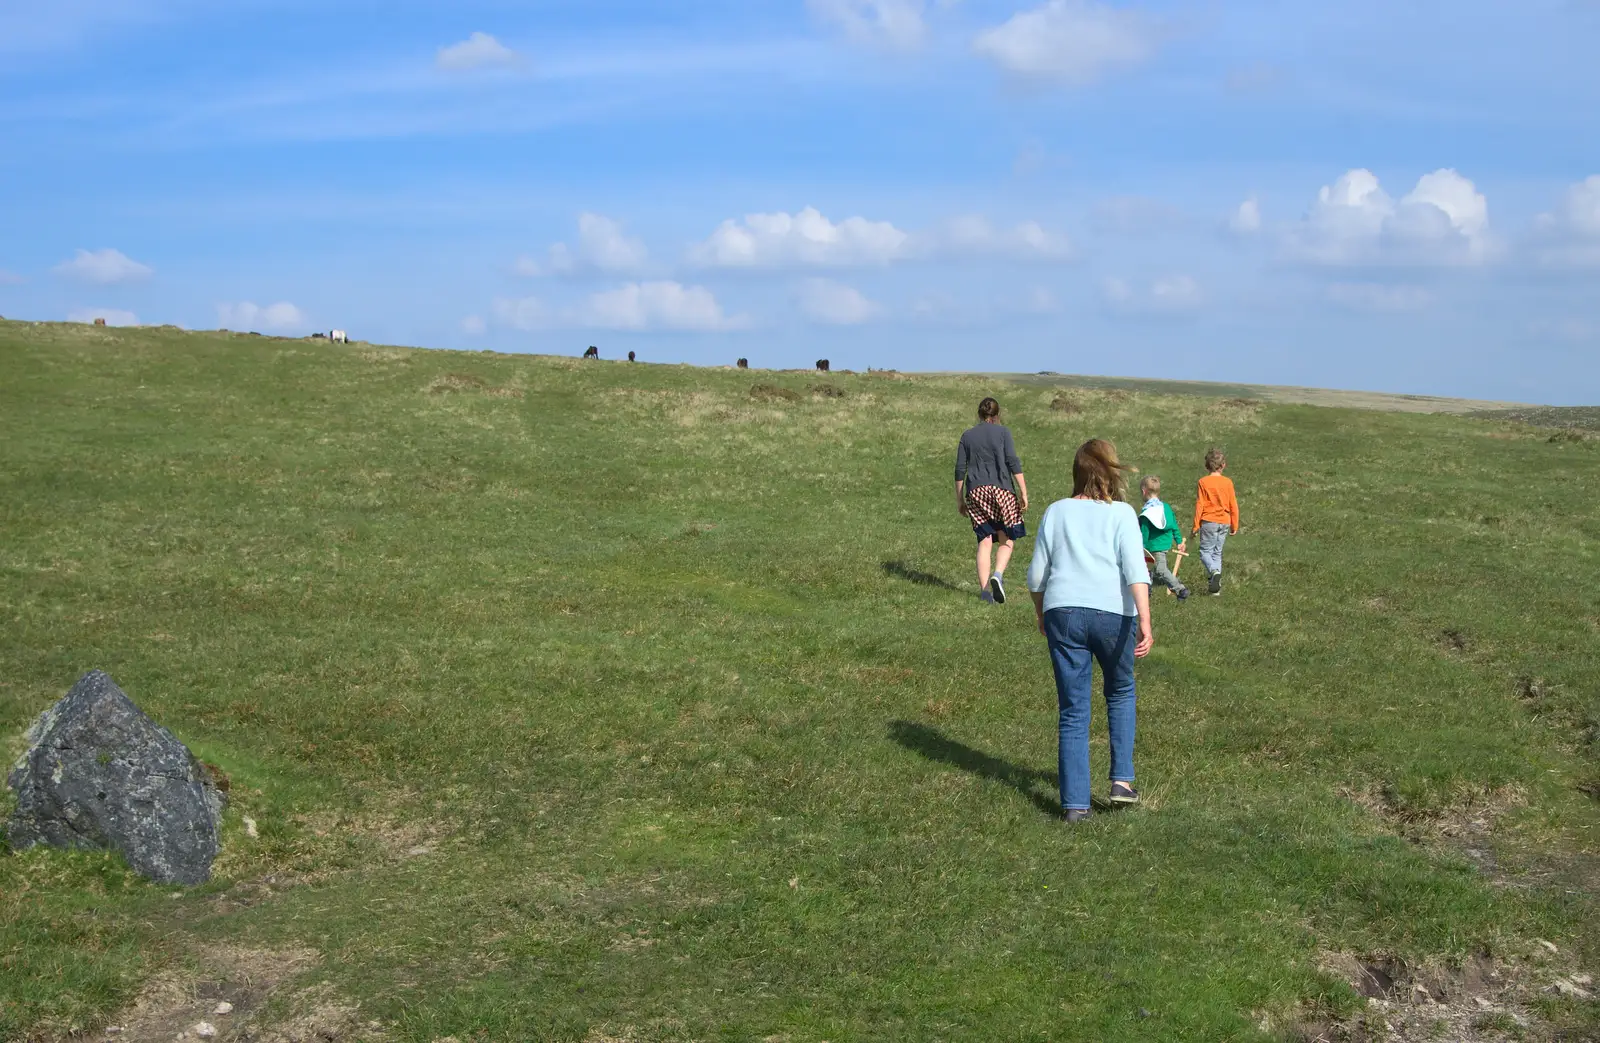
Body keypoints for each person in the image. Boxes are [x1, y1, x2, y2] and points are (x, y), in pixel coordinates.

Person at [1027, 439, 1153, 823]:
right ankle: (1121, 781)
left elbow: (1035, 575)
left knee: (1073, 709)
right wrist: (1146, 621)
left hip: (1063, 611)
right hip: (1114, 614)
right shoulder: (1122, 514)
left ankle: (1075, 805)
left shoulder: (1055, 511)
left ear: (1077, 473)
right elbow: (1135, 569)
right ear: (1111, 472)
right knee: (1120, 689)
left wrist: (1040, 612)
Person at [954, 397, 1030, 604]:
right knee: (1007, 538)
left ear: (979, 414)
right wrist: (1023, 491)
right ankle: (997, 575)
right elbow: (1013, 461)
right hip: (1002, 490)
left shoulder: (967, 436)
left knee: (985, 541)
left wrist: (960, 499)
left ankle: (985, 592)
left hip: (976, 491)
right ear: (997, 416)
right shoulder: (1003, 432)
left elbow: (960, 469)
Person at [1191, 448, 1240, 596]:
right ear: (1223, 465)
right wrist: (1234, 524)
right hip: (1224, 521)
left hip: (1209, 521)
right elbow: (1233, 504)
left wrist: (1195, 525)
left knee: (1205, 552)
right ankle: (1215, 590)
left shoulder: (1203, 482)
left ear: (1206, 466)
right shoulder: (1228, 482)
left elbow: (1200, 504)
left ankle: (1214, 572)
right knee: (1217, 553)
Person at [1137, 476, 1189, 601]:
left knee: (1160, 570)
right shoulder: (1166, 507)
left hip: (1152, 547)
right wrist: (1179, 541)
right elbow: (1173, 524)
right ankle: (1146, 592)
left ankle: (1180, 589)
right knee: (1147, 570)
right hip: (1164, 544)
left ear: (1144, 491)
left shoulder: (1146, 513)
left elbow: (1144, 532)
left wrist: (1140, 547)